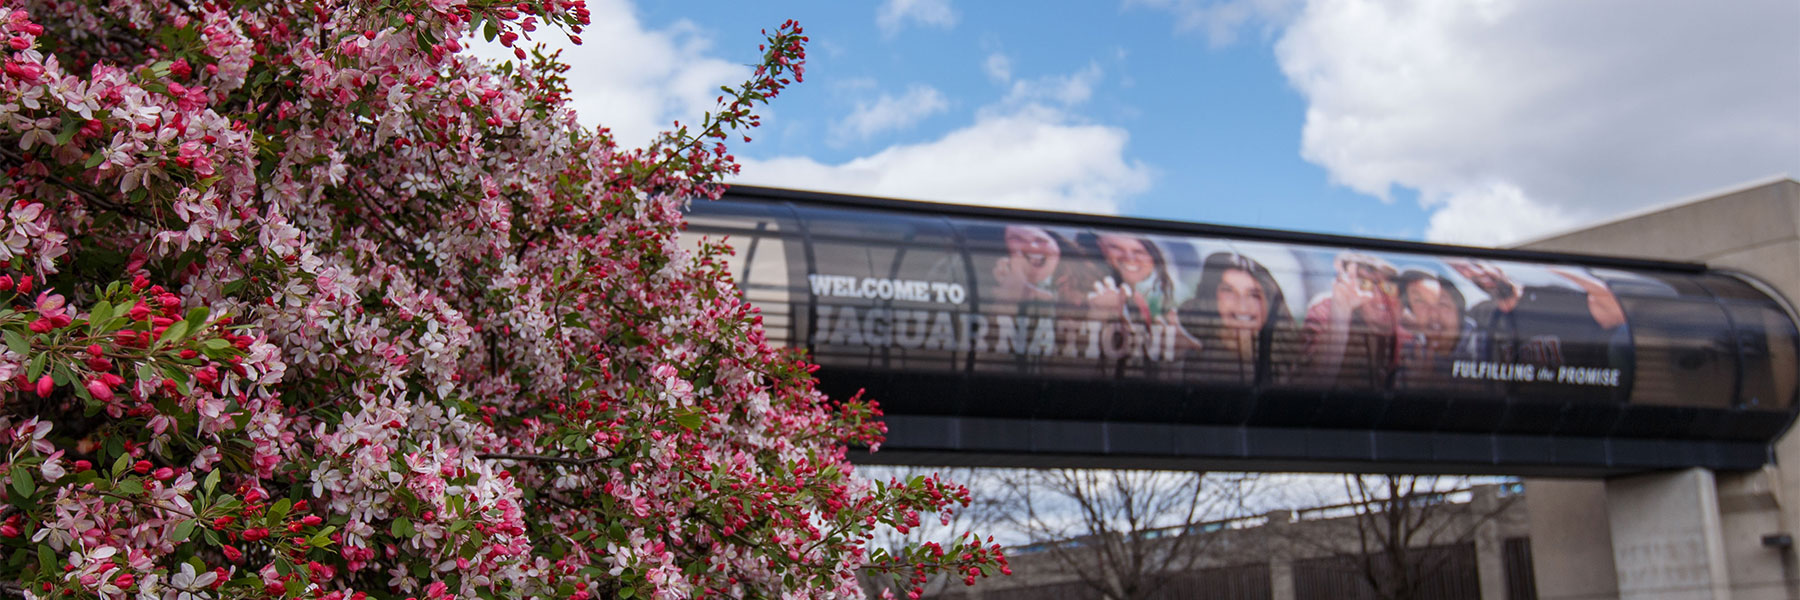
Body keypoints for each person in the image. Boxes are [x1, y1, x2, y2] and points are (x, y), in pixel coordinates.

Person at [1448, 260, 1629, 401]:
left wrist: (1544, 267)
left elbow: (1617, 310)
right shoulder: (1482, 316)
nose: (1475, 273)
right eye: (1463, 271)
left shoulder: (1554, 298)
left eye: (1476, 264)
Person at [1177, 252, 1298, 384]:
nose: (1242, 306)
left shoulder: (1288, 365)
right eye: (1229, 291)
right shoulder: (1187, 355)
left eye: (1253, 295)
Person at [1295, 251, 1402, 389]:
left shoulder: (1403, 324)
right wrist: (1340, 314)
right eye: (1364, 283)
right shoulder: (1327, 310)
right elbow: (1310, 383)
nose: (1378, 296)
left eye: (1388, 287)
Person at [1393, 269, 1478, 389]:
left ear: (1459, 309)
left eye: (1441, 303)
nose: (1433, 314)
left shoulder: (1487, 346)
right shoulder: (1411, 353)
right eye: (1420, 302)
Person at [1083, 232, 1180, 326]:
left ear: (1153, 260)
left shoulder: (1139, 301)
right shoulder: (1087, 295)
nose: (1129, 257)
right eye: (1116, 248)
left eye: (1139, 252)